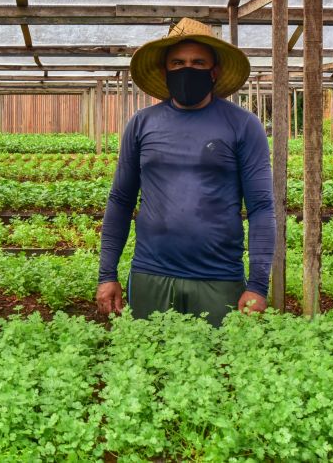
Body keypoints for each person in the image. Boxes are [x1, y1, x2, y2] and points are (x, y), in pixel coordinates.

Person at [96, 18, 275, 327]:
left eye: (198, 62)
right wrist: (107, 274)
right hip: (150, 274)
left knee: (217, 369)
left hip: (219, 278)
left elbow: (261, 207)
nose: (187, 69)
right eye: (177, 63)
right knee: (150, 366)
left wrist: (258, 284)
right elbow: (121, 201)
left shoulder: (243, 125)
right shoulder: (142, 124)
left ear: (214, 71)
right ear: (165, 71)